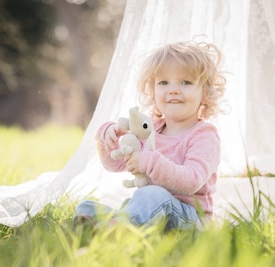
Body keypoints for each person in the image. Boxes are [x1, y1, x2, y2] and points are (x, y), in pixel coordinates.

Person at [73, 40, 226, 231]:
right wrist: (108, 140)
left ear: (205, 92)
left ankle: (119, 230)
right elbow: (115, 164)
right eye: (163, 82)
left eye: (186, 82)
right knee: (87, 206)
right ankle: (105, 227)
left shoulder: (204, 136)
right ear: (153, 91)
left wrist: (146, 161)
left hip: (190, 220)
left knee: (152, 196)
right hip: (154, 210)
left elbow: (191, 181)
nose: (173, 89)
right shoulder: (151, 129)